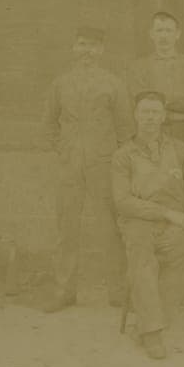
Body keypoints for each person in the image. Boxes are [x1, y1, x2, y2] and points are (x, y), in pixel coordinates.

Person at [40, 26, 134, 312]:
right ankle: (64, 291)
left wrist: (115, 162)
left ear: (102, 50)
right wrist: (65, 150)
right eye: (82, 44)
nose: (87, 52)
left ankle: (117, 290)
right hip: (70, 167)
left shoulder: (114, 84)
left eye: (93, 46)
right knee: (66, 228)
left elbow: (125, 129)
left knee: (110, 228)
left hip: (103, 166)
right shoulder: (60, 84)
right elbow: (48, 126)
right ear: (73, 48)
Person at [111, 91, 184, 359]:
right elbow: (122, 201)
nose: (150, 118)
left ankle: (145, 324)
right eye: (145, 112)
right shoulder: (123, 155)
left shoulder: (179, 149)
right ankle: (153, 334)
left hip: (175, 225)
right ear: (136, 115)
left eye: (155, 112)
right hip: (138, 222)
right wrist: (167, 213)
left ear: (164, 116)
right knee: (144, 263)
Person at [126, 11, 184, 148]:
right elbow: (141, 102)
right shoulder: (138, 67)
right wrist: (179, 111)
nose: (163, 36)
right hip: (151, 135)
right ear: (151, 34)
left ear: (177, 34)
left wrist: (160, 102)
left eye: (168, 31)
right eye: (159, 30)